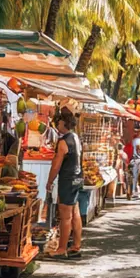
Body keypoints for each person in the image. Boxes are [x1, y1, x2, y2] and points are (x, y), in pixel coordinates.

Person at [45, 110, 84, 259]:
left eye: (59, 122)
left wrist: (49, 181)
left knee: (65, 216)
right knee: (75, 212)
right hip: (78, 177)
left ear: (64, 123)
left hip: (68, 179)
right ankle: (76, 246)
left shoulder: (63, 142)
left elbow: (56, 165)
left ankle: (62, 249)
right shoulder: (76, 137)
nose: (58, 125)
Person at [129, 130, 140, 201]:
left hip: (136, 160)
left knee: (135, 177)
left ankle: (135, 192)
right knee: (139, 177)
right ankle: (138, 193)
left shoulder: (134, 141)